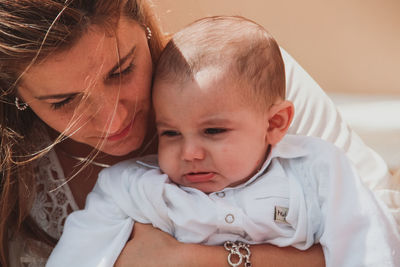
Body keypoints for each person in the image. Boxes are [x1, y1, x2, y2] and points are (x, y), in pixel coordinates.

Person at [0, 1, 397, 267]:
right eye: (64, 101)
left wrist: (195, 258)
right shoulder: (129, 187)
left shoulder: (244, 78)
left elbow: (378, 239)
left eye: (121, 71)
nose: (111, 119)